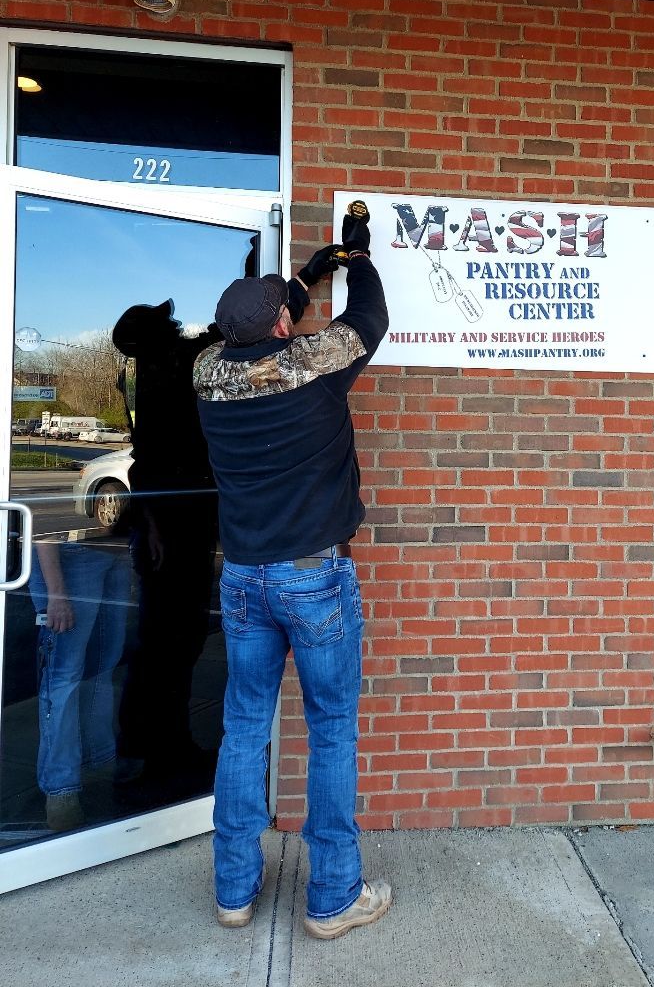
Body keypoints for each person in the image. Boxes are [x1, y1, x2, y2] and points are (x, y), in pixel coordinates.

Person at [193, 204, 390, 939]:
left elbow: (264, 325)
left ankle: (234, 891)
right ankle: (334, 897)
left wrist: (307, 274)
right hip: (314, 579)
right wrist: (359, 259)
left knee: (245, 729)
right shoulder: (314, 367)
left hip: (244, 579)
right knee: (332, 729)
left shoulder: (207, 373)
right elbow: (370, 316)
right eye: (289, 311)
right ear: (283, 326)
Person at [111, 300, 220, 789]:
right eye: (166, 322)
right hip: (175, 529)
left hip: (171, 525)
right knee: (171, 642)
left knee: (165, 641)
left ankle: (150, 748)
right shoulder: (164, 370)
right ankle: (161, 753)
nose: (176, 325)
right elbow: (146, 463)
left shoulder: (152, 370)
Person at [28, 535, 130, 830]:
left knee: (103, 664)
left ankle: (97, 768)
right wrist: (56, 593)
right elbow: (41, 508)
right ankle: (62, 791)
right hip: (70, 556)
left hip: (115, 551)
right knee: (64, 675)